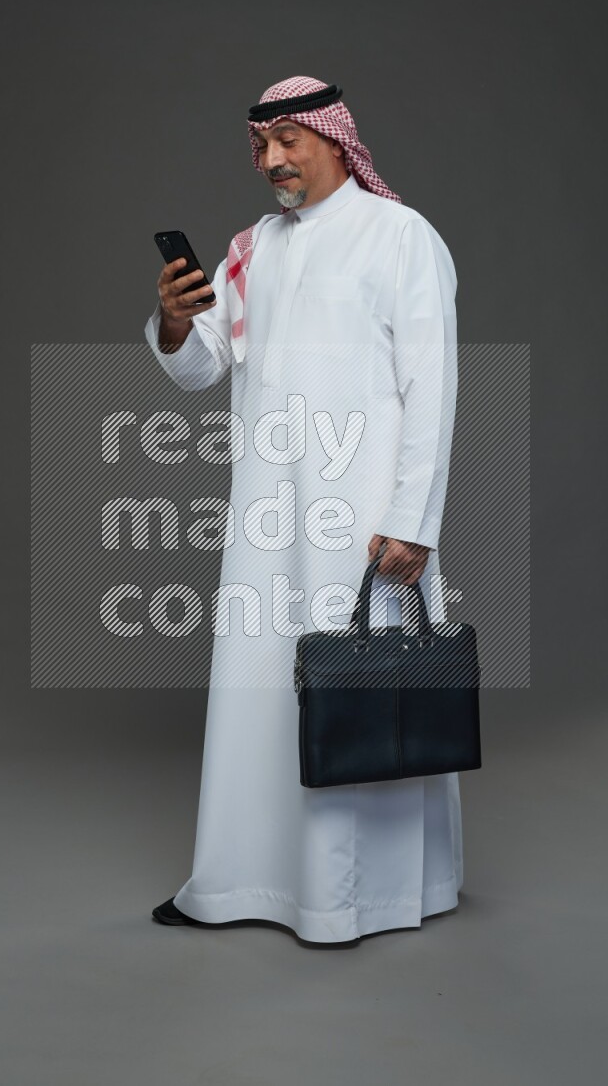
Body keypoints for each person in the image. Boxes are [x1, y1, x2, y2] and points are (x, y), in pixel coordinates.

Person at [145, 75, 462, 944]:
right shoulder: (253, 248)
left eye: (289, 138)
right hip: (265, 517)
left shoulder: (400, 236)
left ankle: (369, 896)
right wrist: (173, 324)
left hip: (362, 520)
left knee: (363, 688)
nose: (273, 158)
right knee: (261, 691)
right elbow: (206, 361)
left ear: (334, 138)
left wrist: (414, 519)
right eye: (260, 144)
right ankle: (245, 880)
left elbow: (431, 385)